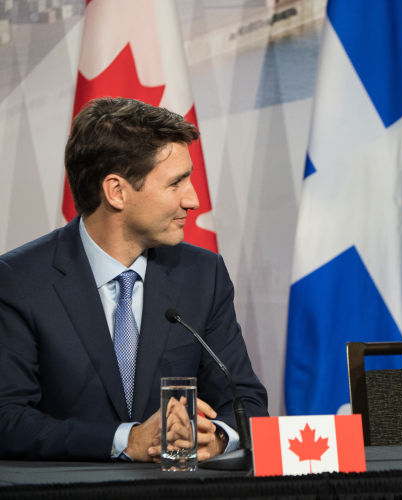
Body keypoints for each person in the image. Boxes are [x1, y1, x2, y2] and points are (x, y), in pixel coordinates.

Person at [0, 98, 268, 461]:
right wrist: (125, 440)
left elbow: (246, 401)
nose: (193, 200)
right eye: (176, 183)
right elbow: (8, 419)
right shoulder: (19, 281)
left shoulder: (202, 275)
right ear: (116, 192)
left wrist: (218, 436)